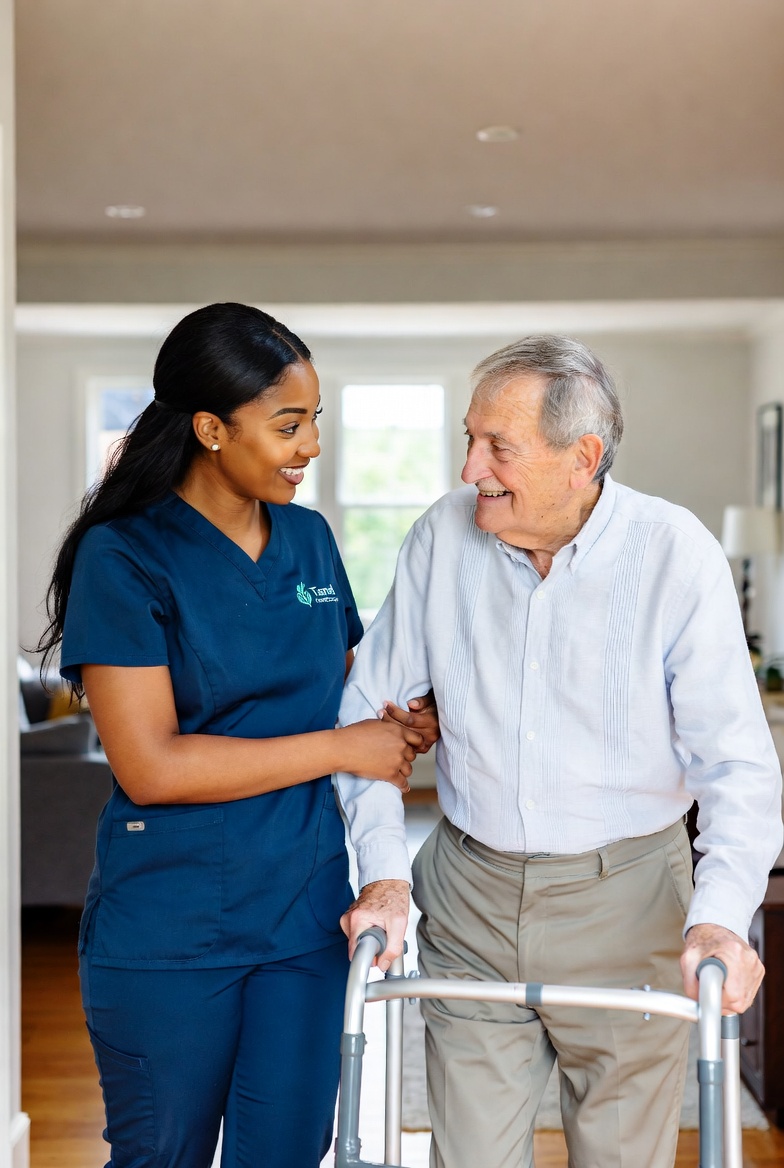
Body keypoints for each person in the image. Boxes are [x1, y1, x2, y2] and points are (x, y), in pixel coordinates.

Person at [336, 334, 784, 1168]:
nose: (471, 468)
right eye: (468, 440)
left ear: (582, 457)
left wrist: (720, 919)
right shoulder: (443, 538)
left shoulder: (673, 553)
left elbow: (736, 763)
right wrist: (383, 876)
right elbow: (368, 715)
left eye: (497, 447)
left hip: (629, 904)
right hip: (469, 891)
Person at [36, 302, 438, 1168]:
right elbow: (149, 765)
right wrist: (344, 748)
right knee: (163, 1156)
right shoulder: (125, 557)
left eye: (315, 422)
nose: (312, 447)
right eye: (288, 426)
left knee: (289, 1154)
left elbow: (350, 691)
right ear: (212, 428)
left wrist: (403, 722)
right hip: (172, 925)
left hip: (303, 917)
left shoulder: (310, 541)